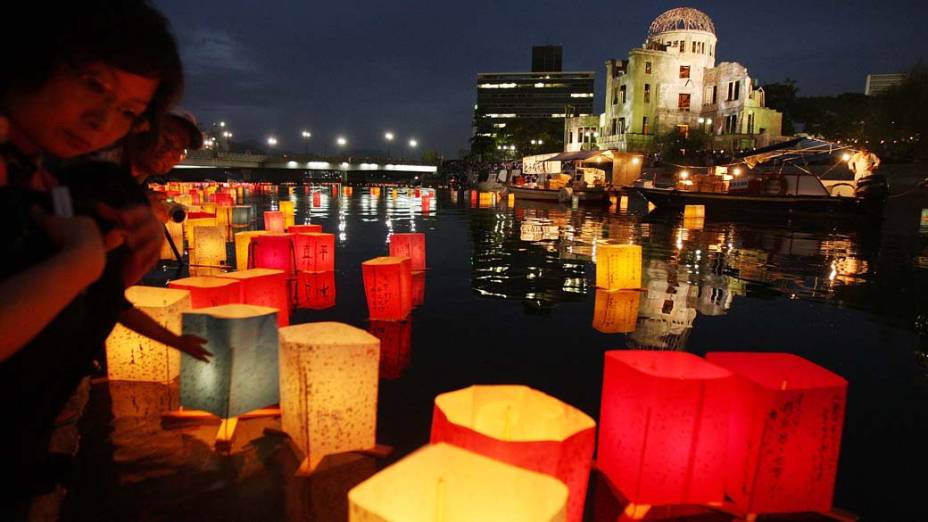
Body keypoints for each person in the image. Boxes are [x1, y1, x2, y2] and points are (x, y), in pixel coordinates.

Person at [0, 0, 185, 513]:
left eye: (128, 111)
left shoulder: (42, 181)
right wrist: (80, 260)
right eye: (92, 83)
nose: (101, 119)